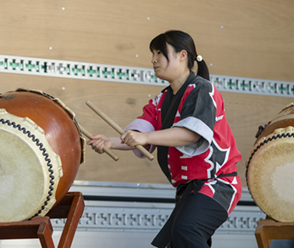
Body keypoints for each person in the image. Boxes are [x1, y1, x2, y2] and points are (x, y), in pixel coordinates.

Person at [87, 30, 242, 248]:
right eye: (153, 53)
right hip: (189, 189)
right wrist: (109, 142)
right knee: (178, 241)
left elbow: (191, 133)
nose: (153, 59)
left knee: (187, 230)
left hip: (218, 184)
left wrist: (146, 137)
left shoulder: (203, 90)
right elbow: (140, 134)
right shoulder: (161, 99)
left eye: (160, 52)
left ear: (182, 55)